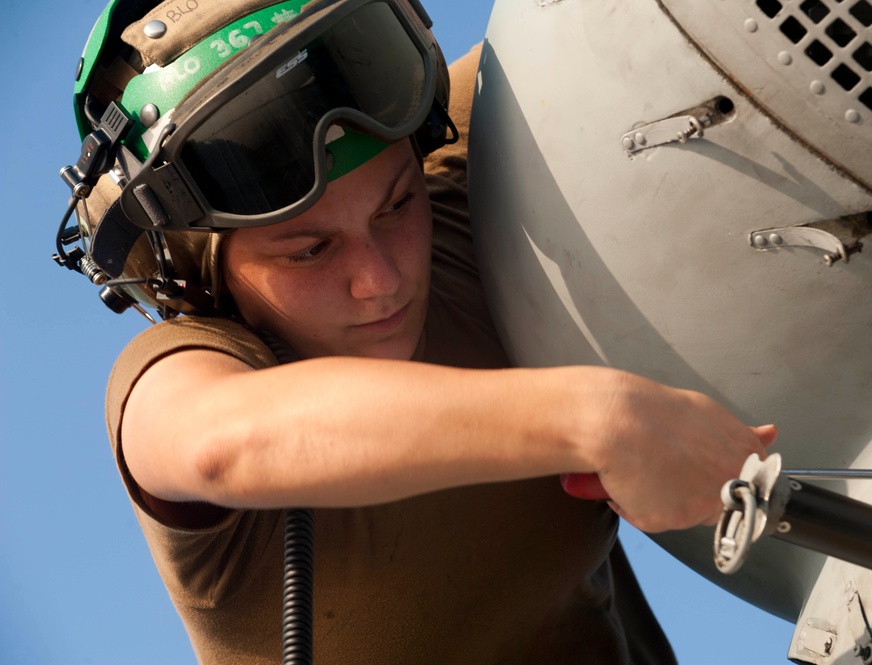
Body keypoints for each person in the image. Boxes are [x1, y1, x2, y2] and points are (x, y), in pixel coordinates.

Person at [56, 0, 776, 662]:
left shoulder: (462, 199)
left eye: (397, 204)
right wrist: (601, 416)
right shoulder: (183, 368)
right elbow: (222, 442)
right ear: (185, 266)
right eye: (308, 250)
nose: (382, 277)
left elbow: (602, 26)